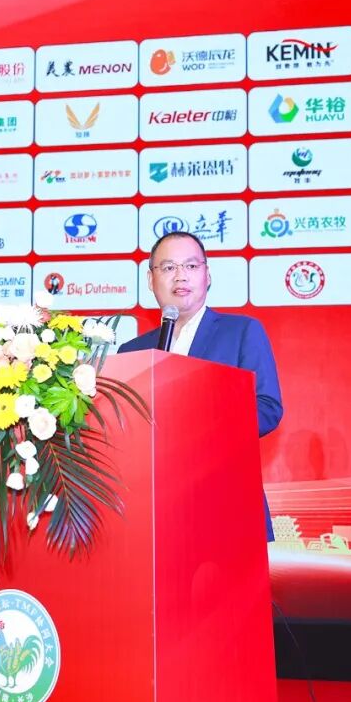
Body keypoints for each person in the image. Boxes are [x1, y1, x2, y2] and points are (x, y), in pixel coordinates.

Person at [117, 231, 282, 541]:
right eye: (168, 267)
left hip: (226, 505)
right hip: (151, 512)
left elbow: (267, 409)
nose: (180, 276)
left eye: (191, 266)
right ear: (151, 280)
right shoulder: (131, 351)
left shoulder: (241, 332)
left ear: (208, 276)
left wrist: (198, 423)